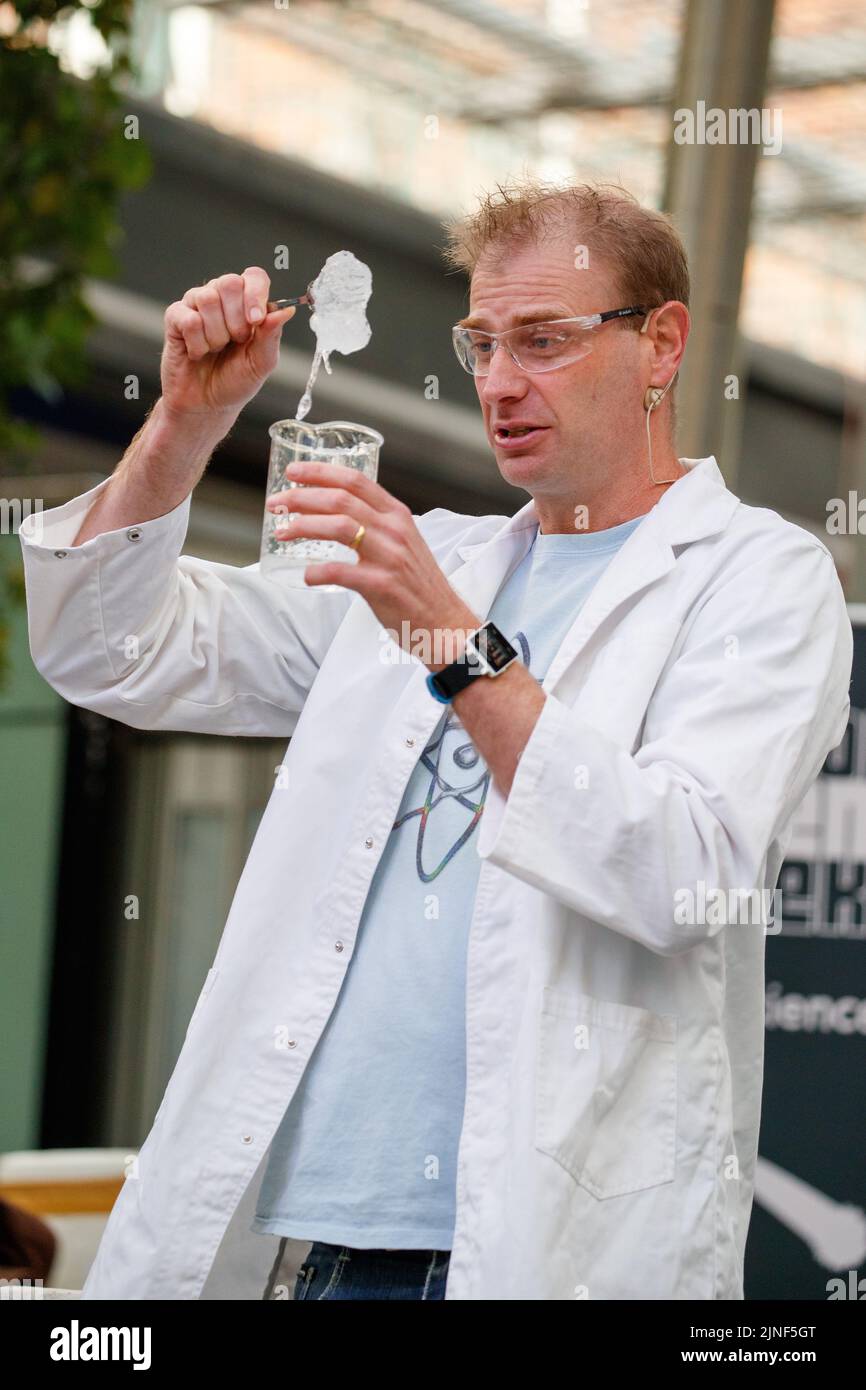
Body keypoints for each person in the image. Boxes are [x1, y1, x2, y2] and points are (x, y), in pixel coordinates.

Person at [18, 181, 852, 1301]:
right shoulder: (432, 560)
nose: (501, 384)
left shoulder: (755, 576)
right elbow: (111, 650)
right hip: (308, 1247)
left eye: (544, 341)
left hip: (533, 1254)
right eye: (481, 344)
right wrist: (184, 423)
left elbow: (682, 870)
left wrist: (450, 640)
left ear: (661, 343)